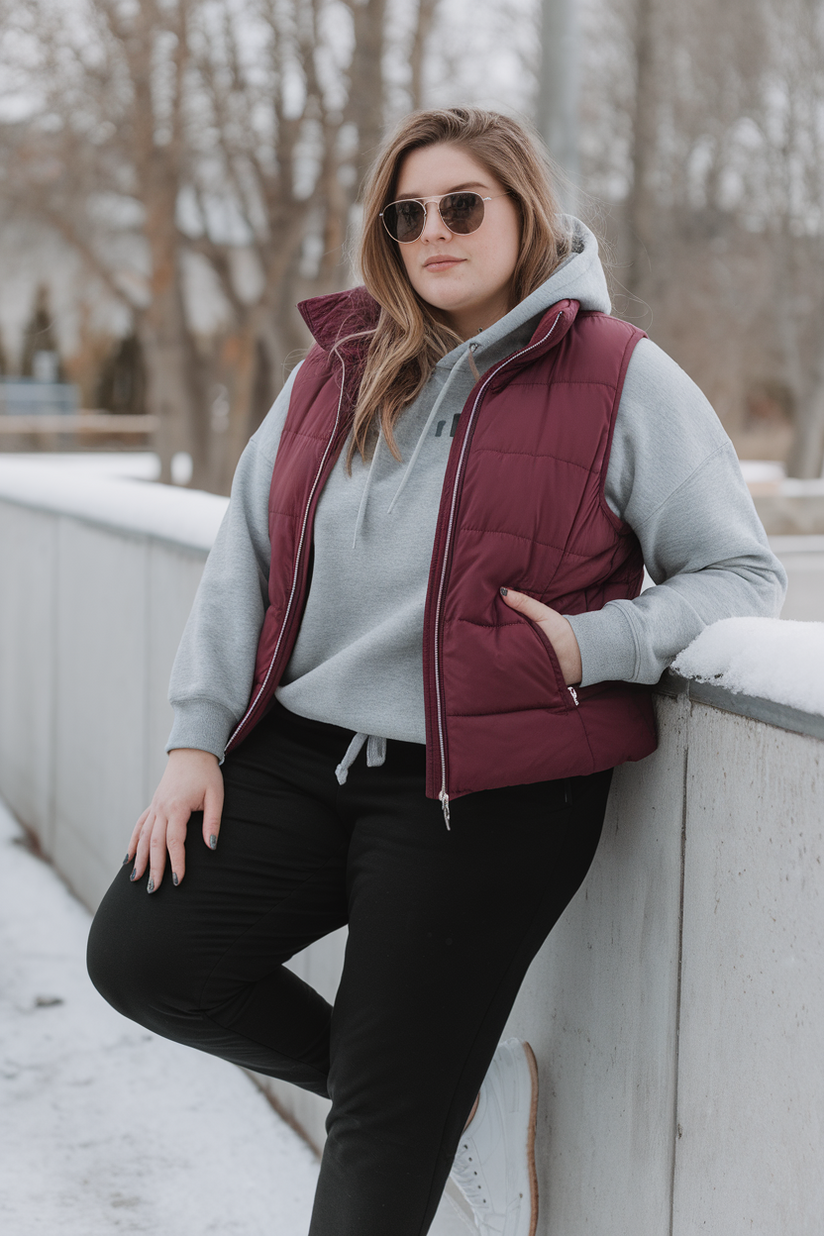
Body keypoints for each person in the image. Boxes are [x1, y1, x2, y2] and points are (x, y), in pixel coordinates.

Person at [87, 107, 786, 1236]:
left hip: (487, 792)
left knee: (370, 1150)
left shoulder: (617, 374)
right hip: (302, 759)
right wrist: (192, 739)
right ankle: (435, 1095)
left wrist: (592, 643)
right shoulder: (336, 369)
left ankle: (405, 1101)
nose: (433, 232)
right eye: (406, 214)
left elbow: (739, 573)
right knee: (143, 955)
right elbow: (245, 557)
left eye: (461, 206)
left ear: (523, 213)